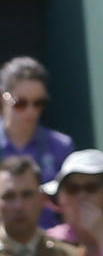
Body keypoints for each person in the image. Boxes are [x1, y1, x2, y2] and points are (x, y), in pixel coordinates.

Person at [0, 56, 74, 229]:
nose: (31, 111)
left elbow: (70, 208)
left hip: (49, 245)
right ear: (3, 97)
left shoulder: (61, 146)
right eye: (21, 103)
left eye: (39, 103)